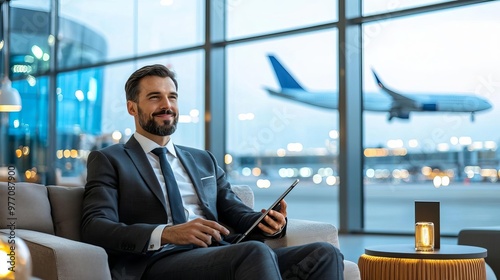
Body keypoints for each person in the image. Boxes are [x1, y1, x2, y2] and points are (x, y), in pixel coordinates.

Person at [81, 64, 344, 280]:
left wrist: (268, 224)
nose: (167, 105)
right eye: (154, 97)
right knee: (252, 253)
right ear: (132, 108)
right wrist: (167, 232)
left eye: (172, 97)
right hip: (156, 261)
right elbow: (95, 227)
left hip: (218, 254)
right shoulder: (109, 159)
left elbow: (234, 211)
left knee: (325, 253)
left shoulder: (202, 159)